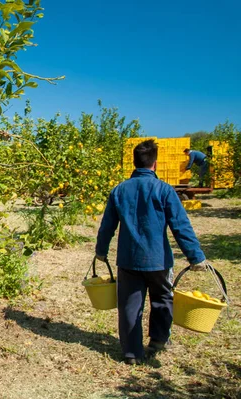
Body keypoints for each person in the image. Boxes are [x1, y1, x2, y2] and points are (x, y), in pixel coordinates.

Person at [95, 139, 208, 365]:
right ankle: (158, 340)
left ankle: (132, 353)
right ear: (154, 164)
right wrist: (195, 257)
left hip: (128, 259)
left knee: (129, 304)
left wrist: (101, 250)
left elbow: (107, 225)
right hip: (158, 259)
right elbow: (180, 225)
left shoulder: (119, 190)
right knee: (163, 298)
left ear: (134, 163)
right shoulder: (164, 190)